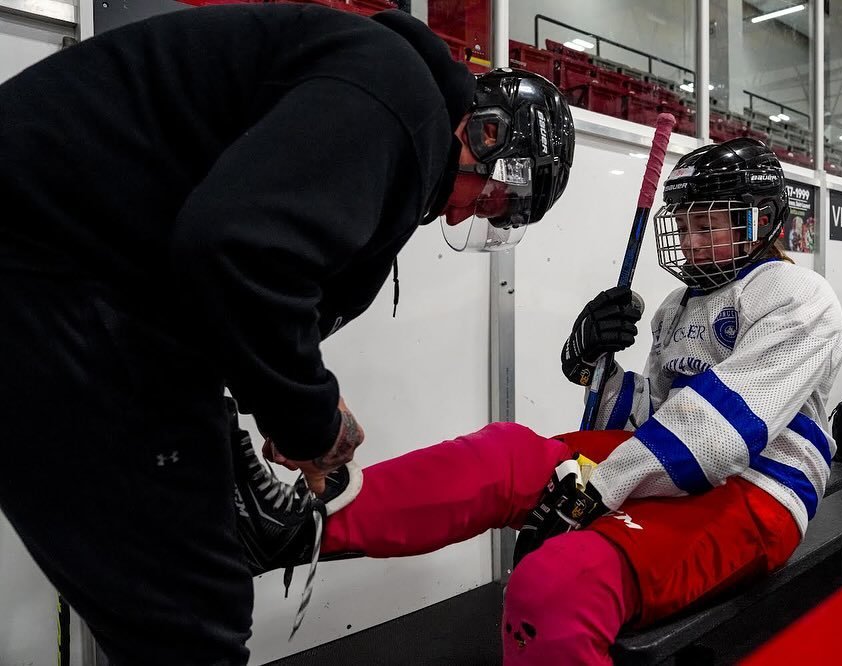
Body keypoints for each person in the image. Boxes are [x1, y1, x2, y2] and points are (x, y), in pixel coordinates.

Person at [0, 3, 574, 664]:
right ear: (487, 131)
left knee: (187, 592)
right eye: (493, 197)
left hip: (75, 268)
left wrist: (290, 404)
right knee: (189, 616)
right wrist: (310, 425)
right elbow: (236, 250)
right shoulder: (394, 102)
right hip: (44, 265)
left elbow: (224, 270)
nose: (466, 209)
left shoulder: (378, 87)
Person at [236, 138, 842, 664]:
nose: (690, 242)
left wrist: (600, 486)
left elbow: (721, 435)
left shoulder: (798, 295)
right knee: (503, 453)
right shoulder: (677, 308)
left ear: (759, 219)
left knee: (556, 585)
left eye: (707, 224)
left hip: (760, 490)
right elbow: (649, 421)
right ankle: (300, 527)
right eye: (684, 224)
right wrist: (591, 362)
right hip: (685, 469)